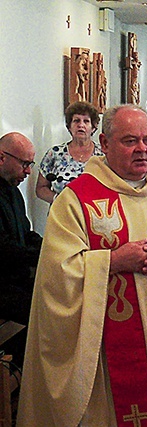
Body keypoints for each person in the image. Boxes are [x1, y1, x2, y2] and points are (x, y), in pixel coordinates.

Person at [17, 105, 147, 426]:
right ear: (105, 143)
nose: (143, 149)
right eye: (130, 141)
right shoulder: (76, 199)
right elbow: (57, 272)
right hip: (105, 349)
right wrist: (113, 261)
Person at [0, 132, 41, 366]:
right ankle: (18, 372)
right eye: (25, 164)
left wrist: (51, 246)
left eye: (30, 164)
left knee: (57, 292)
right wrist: (42, 256)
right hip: (2, 284)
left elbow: (26, 234)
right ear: (2, 157)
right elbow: (4, 248)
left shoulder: (13, 191)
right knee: (41, 307)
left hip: (16, 279)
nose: (28, 171)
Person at [36, 101, 103, 204]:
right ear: (69, 126)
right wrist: (59, 200)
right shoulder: (54, 154)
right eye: (76, 121)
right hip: (61, 214)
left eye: (86, 121)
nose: (81, 125)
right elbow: (41, 188)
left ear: (93, 127)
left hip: (95, 213)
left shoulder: (103, 155)